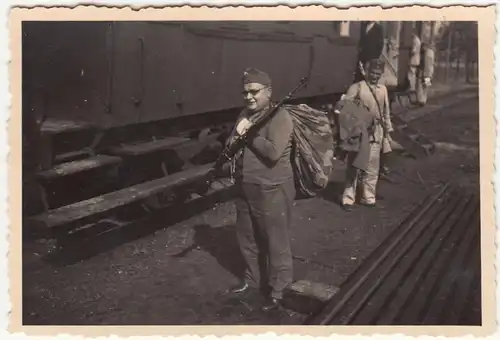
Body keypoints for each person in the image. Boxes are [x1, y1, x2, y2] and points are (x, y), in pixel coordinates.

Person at [225, 68, 296, 311]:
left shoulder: (280, 117)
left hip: (272, 187)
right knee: (247, 237)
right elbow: (232, 141)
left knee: (276, 241)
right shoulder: (245, 114)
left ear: (269, 92)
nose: (248, 97)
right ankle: (254, 281)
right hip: (246, 186)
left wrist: (246, 133)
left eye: (254, 91)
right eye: (245, 92)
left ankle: (279, 290)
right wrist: (236, 137)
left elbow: (273, 151)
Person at [341, 58, 393, 211]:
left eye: (378, 74)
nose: (375, 76)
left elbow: (386, 112)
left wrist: (387, 132)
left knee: (372, 167)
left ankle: (368, 197)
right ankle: (348, 199)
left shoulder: (383, 90)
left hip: (376, 132)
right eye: (372, 72)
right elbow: (345, 110)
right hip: (359, 133)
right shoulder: (357, 88)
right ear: (367, 71)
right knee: (355, 165)